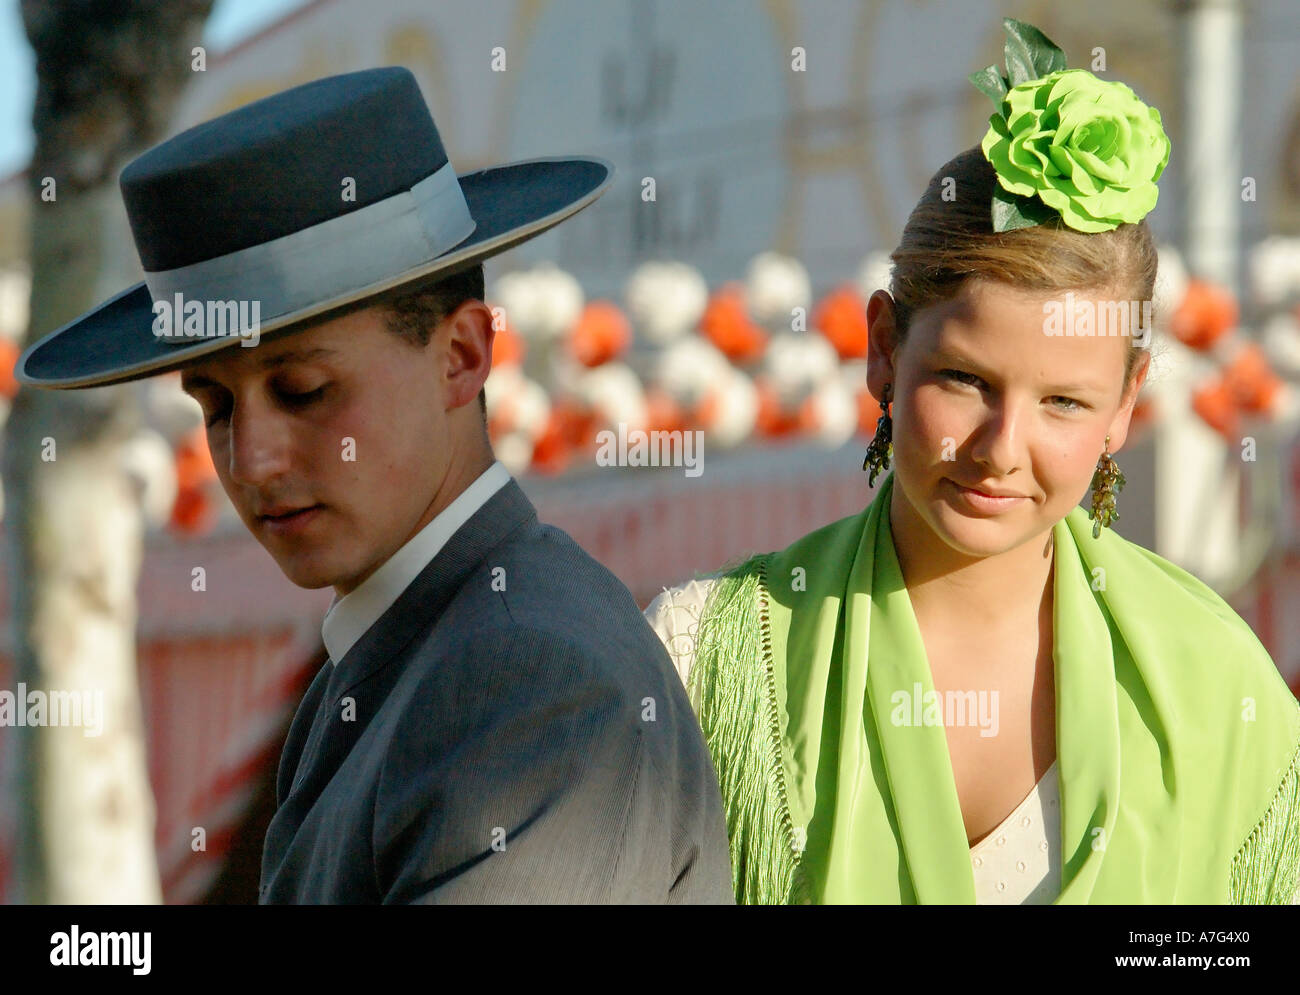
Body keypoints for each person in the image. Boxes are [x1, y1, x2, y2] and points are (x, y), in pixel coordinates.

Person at [17, 67, 734, 904]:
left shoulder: (531, 670)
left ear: (462, 356)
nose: (252, 460)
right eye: (213, 403)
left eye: (304, 391)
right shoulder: (399, 652)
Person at [646, 20, 1300, 904]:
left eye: (1063, 401)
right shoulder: (709, 659)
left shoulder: (1221, 688)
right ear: (883, 347)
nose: (1000, 449)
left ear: (1126, 402)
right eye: (964, 379)